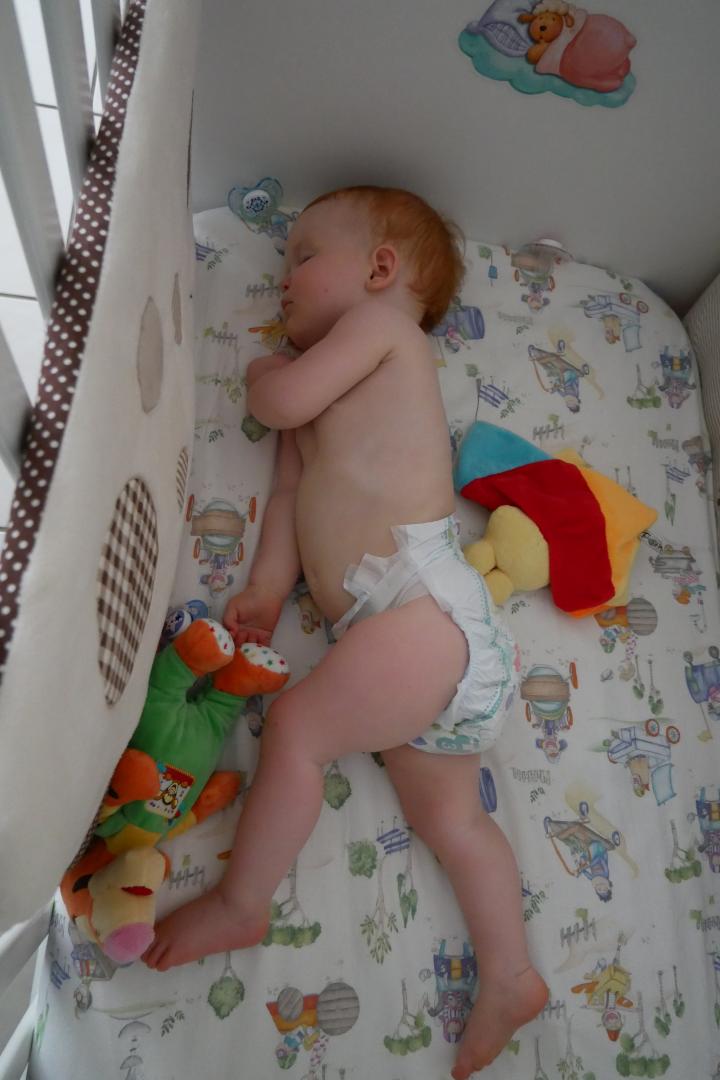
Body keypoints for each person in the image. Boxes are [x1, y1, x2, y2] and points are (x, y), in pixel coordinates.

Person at [144, 186, 548, 1077]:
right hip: (407, 639)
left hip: (419, 604)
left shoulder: (382, 332)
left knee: (296, 728)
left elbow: (282, 404)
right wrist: (265, 586)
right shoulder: (332, 375)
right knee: (451, 821)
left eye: (301, 257)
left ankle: (243, 903)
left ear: (379, 270)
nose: (282, 281)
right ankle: (512, 976)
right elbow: (292, 494)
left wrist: (262, 378)